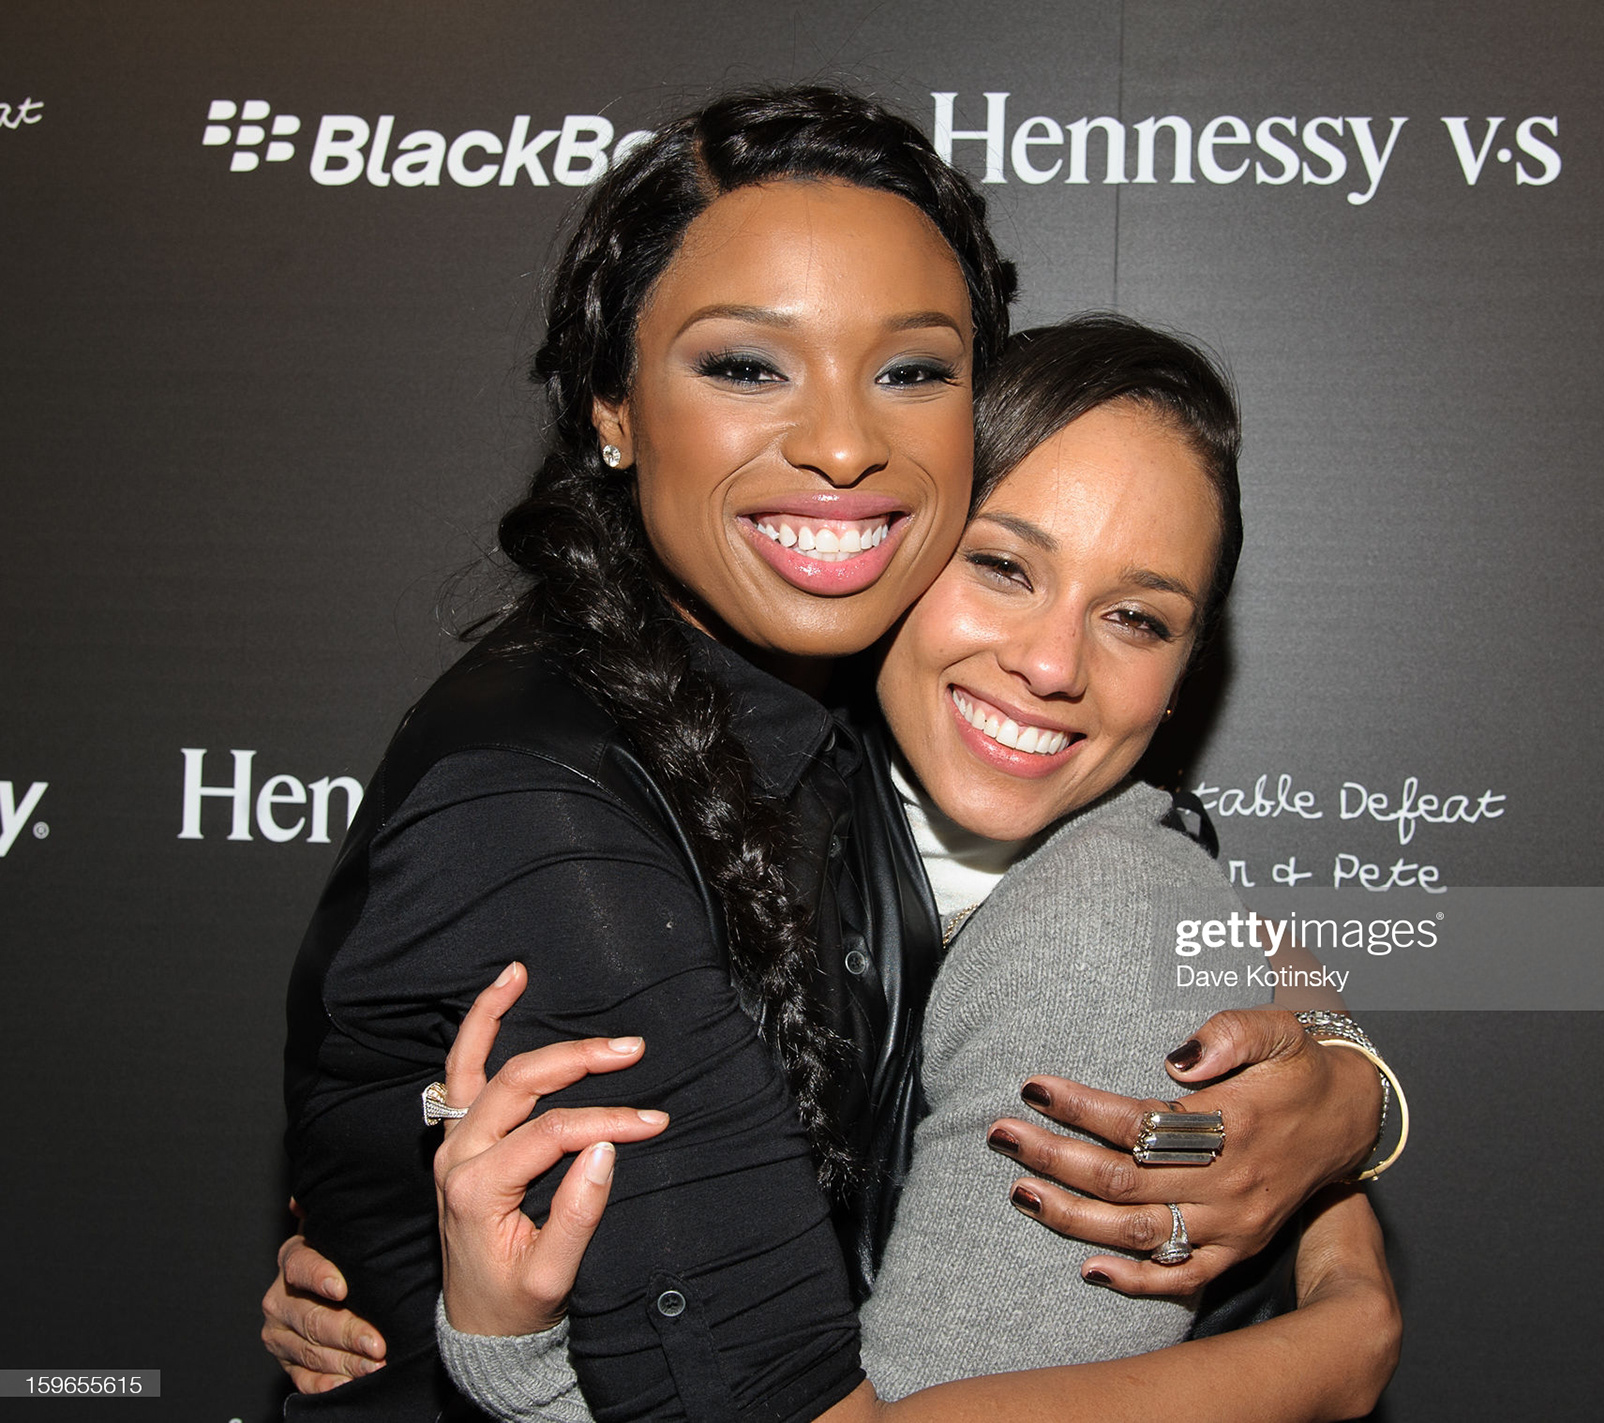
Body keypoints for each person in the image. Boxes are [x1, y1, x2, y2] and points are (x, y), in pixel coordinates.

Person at [268, 87, 1390, 1420]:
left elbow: (1206, 950)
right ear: (610, 404)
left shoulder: (854, 707)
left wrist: (1349, 1117)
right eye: (747, 363)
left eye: (912, 369)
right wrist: (1335, 1347)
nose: (847, 442)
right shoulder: (556, 812)